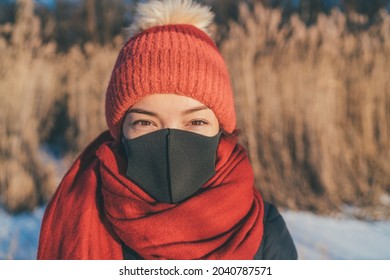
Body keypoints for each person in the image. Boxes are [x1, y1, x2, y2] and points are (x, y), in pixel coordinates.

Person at [37, 0, 297, 260]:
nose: (171, 141)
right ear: (120, 132)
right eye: (145, 122)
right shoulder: (84, 220)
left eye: (195, 122)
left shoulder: (265, 232)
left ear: (222, 129)